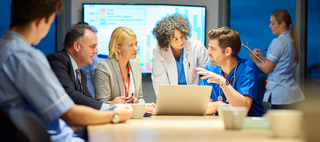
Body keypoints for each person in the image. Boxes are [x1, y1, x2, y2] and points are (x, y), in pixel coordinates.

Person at [0, 0, 132, 141]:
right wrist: (114, 114)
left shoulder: (5, 49)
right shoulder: (26, 56)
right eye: (50, 22)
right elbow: (70, 114)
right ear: (40, 22)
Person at [47, 23, 123, 109]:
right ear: (77, 46)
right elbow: (68, 94)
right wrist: (108, 107)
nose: (96, 51)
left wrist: (110, 106)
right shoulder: (57, 61)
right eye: (93, 46)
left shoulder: (81, 74)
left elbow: (88, 101)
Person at [197, 27, 265, 117]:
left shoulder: (247, 70)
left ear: (227, 51)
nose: (208, 52)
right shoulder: (211, 67)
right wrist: (216, 105)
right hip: (221, 124)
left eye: (213, 49)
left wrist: (223, 82)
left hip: (248, 126)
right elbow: (201, 107)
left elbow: (242, 109)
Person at [249, 9, 305, 109]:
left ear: (282, 24)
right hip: (293, 95)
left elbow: (267, 69)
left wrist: (255, 59)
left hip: (279, 96)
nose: (270, 26)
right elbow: (277, 65)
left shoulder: (278, 42)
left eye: (273, 23)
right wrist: (261, 57)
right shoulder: (293, 42)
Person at [94, 26, 156, 113]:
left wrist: (145, 106)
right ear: (118, 48)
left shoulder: (136, 67)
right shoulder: (104, 68)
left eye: (136, 43)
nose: (135, 48)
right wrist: (136, 107)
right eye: (130, 45)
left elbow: (140, 98)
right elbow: (102, 103)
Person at [151, 14, 209, 96]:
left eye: (182, 36)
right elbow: (160, 82)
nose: (180, 42)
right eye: (175, 39)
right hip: (170, 97)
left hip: (193, 95)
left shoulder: (196, 46)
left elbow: (209, 72)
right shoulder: (159, 51)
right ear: (166, 40)